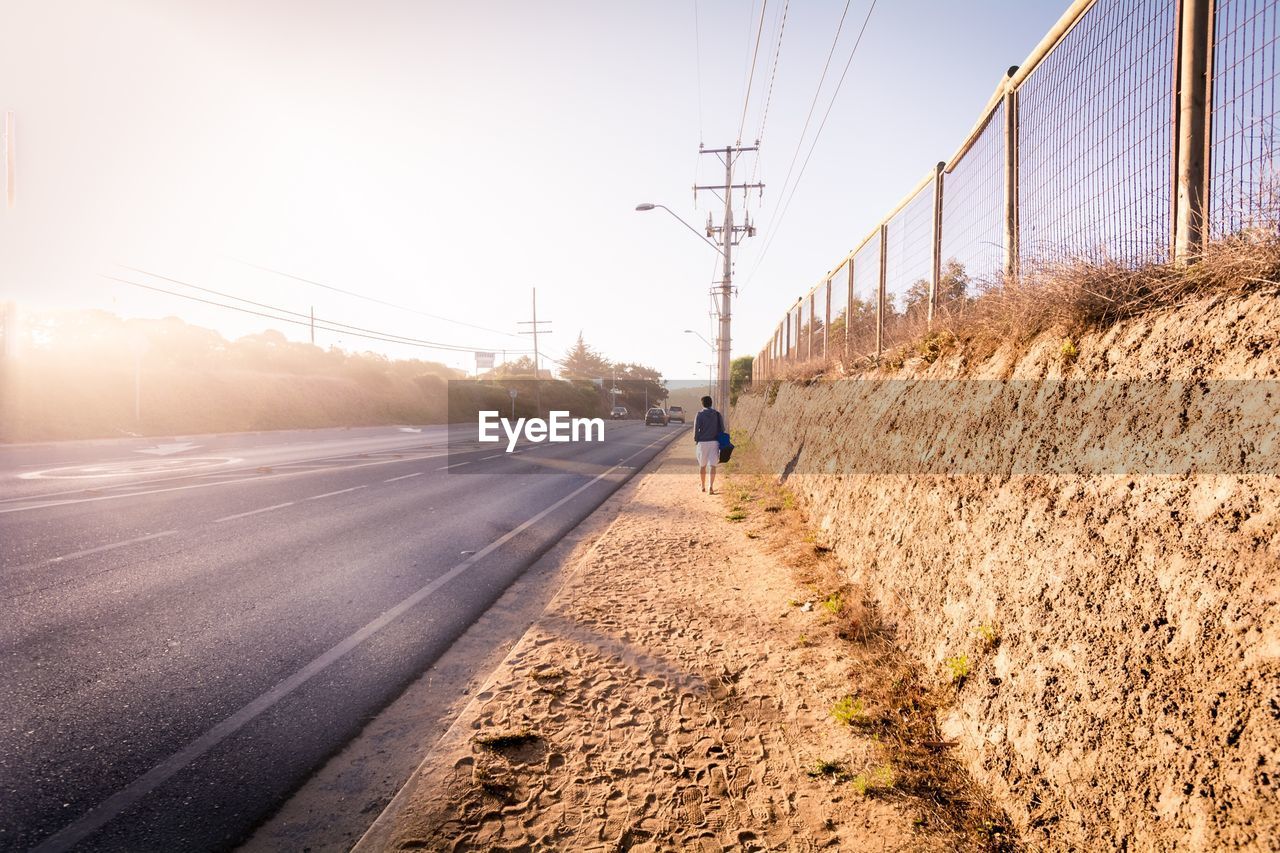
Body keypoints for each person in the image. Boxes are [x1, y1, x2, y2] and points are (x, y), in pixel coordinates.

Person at [693, 395, 724, 494]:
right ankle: (711, 487)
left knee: (702, 466)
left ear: (702, 404)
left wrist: (697, 440)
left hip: (702, 443)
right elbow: (722, 429)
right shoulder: (717, 414)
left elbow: (696, 430)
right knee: (713, 466)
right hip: (714, 442)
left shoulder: (699, 414)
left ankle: (702, 486)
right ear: (711, 403)